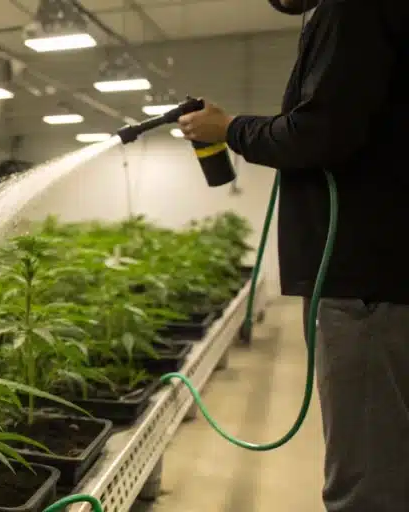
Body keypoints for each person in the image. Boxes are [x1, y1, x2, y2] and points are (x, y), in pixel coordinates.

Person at [177, 0, 408, 510]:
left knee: (369, 483)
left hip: (363, 282)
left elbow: (320, 134)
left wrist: (230, 129)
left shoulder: (354, 10)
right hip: (380, 279)